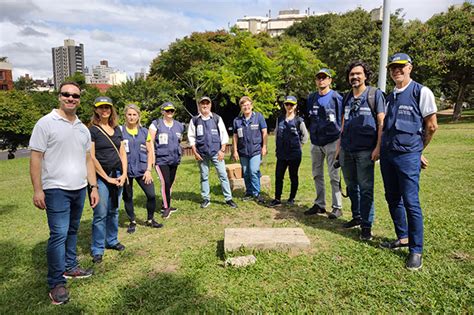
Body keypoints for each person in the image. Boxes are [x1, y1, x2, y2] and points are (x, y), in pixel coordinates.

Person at [29, 81, 99, 305]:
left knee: (72, 230)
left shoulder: (82, 128)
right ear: (59, 96)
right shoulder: (46, 123)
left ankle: (70, 267)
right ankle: (56, 282)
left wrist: (93, 186)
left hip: (79, 188)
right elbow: (36, 157)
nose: (71, 98)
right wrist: (38, 189)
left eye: (75, 96)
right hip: (55, 189)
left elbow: (88, 159)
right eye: (66, 94)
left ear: (80, 99)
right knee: (58, 234)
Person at [380, 53, 438, 271]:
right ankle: (402, 237)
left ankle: (416, 250)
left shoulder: (421, 92)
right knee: (392, 197)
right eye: (393, 67)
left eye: (401, 66)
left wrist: (417, 151)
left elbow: (431, 126)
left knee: (411, 201)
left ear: (410, 68)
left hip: (407, 156)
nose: (397, 70)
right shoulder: (390, 96)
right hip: (388, 155)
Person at [337, 61, 385, 241]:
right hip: (347, 150)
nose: (354, 77)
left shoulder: (374, 95)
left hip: (366, 151)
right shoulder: (347, 96)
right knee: (351, 186)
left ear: (365, 76)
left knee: (366, 189)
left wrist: (378, 147)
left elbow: (381, 122)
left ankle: (366, 225)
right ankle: (356, 216)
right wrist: (338, 149)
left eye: (358, 73)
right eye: (351, 74)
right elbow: (343, 123)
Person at [89, 96, 127, 264]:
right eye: (101, 107)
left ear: (112, 110)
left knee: (114, 210)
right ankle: (97, 248)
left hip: (118, 173)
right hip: (101, 177)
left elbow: (122, 152)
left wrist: (124, 173)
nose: (105, 110)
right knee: (100, 214)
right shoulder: (92, 130)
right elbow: (90, 157)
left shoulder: (117, 129)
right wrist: (106, 178)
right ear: (96, 110)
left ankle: (111, 240)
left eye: (107, 107)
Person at [304, 68, 344, 216]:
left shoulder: (336, 98)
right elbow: (310, 118)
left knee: (334, 175)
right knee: (316, 174)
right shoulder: (311, 98)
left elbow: (342, 119)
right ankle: (319, 204)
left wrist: (341, 139)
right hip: (316, 141)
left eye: (324, 77)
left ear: (329, 80)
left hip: (332, 141)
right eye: (319, 78)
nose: (321, 80)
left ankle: (337, 207)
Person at [187, 96, 238, 209]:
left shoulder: (216, 118)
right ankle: (206, 198)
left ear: (210, 105)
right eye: (202, 104)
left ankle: (228, 198)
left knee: (223, 175)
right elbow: (191, 138)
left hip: (216, 153)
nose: (205, 106)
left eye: (207, 103)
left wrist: (222, 150)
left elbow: (224, 135)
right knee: (204, 176)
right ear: (199, 106)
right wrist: (195, 153)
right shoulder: (195, 120)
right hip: (201, 154)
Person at [121, 104, 163, 233]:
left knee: (151, 195)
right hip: (126, 171)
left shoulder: (144, 132)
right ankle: (132, 221)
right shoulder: (120, 131)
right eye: (129, 114)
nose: (132, 117)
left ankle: (150, 219)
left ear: (138, 116)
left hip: (142, 169)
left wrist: (148, 170)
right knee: (128, 196)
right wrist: (123, 172)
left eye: (134, 114)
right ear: (125, 116)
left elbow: (150, 151)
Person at [269, 96, 309, 207]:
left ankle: (292, 198)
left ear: (295, 106)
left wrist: (299, 146)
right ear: (284, 105)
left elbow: (305, 136)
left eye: (291, 104)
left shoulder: (299, 121)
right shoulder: (280, 119)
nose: (289, 107)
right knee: (278, 176)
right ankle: (277, 198)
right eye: (287, 104)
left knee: (293, 176)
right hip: (281, 154)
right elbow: (277, 133)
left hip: (294, 155)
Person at [149, 102, 185, 218]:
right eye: (167, 110)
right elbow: (150, 141)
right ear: (162, 111)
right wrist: (152, 157)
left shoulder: (179, 125)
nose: (170, 113)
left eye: (172, 111)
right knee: (165, 182)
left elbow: (180, 141)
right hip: (161, 159)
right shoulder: (156, 124)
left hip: (174, 159)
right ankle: (166, 207)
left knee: (170, 183)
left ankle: (166, 201)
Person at [232, 96, 268, 203]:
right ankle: (249, 192)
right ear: (241, 108)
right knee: (246, 172)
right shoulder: (237, 121)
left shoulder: (258, 117)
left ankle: (256, 193)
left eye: (248, 105)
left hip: (256, 150)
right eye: (244, 105)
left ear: (251, 106)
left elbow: (264, 132)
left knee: (253, 170)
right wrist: (235, 150)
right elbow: (235, 136)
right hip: (243, 151)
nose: (246, 107)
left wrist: (264, 146)